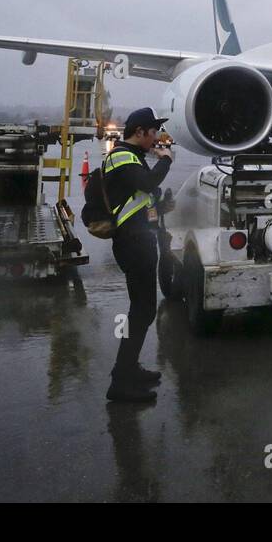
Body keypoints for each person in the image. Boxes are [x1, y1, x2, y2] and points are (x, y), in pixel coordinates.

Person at [103, 107, 175, 403]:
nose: (157, 137)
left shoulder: (134, 158)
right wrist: (166, 161)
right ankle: (120, 382)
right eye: (153, 131)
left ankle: (129, 370)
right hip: (132, 244)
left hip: (141, 240)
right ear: (140, 132)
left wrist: (160, 207)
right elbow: (147, 184)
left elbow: (141, 197)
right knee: (142, 311)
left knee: (143, 310)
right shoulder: (121, 156)